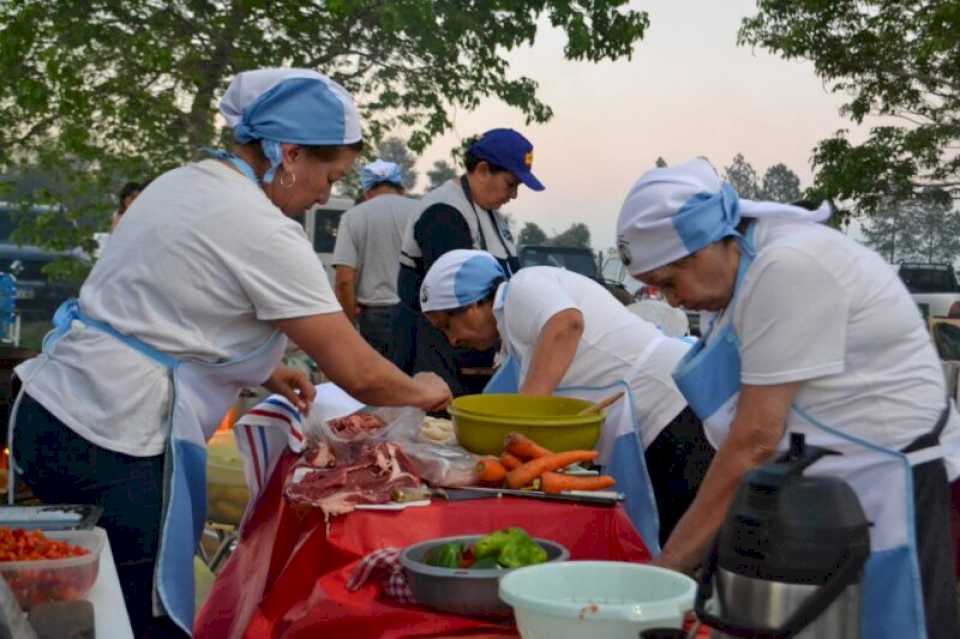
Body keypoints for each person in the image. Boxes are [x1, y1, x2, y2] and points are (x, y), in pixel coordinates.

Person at [9, 68, 451, 638]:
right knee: (145, 619)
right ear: (289, 154)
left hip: (50, 408)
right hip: (116, 434)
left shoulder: (184, 182)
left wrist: (264, 369)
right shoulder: (262, 227)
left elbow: (169, 305)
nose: (327, 193)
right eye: (329, 174)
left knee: (78, 607)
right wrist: (427, 390)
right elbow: (360, 372)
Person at [615, 158, 960, 638]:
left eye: (671, 282)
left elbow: (754, 439)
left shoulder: (788, 266)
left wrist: (671, 566)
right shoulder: (737, 280)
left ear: (709, 243)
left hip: (888, 482)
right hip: (814, 492)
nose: (671, 301)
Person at [419, 249, 715, 549]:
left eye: (447, 325)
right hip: (658, 419)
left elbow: (566, 324)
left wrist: (523, 427)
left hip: (673, 409)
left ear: (473, 304)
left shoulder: (522, 286)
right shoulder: (513, 337)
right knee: (675, 542)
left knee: (687, 546)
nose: (452, 340)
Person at [393, 129, 544, 396]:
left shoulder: (491, 215)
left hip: (471, 349)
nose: (514, 195)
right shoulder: (445, 213)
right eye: (511, 184)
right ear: (483, 170)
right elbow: (454, 304)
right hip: (439, 351)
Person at [331, 159, 418, 357]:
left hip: (375, 319)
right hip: (416, 313)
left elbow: (344, 281)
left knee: (379, 382)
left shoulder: (353, 217)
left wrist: (349, 327)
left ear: (367, 191)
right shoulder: (420, 211)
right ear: (401, 188)